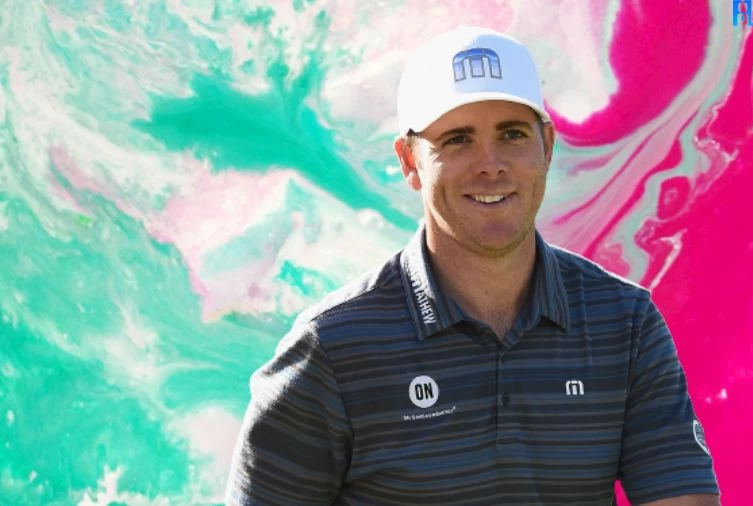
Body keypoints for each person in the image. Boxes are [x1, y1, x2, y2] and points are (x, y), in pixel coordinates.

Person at [225, 26, 720, 505]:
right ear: (409, 161)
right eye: (458, 139)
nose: (491, 163)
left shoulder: (625, 323)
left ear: (547, 146)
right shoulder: (331, 350)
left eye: (512, 133)